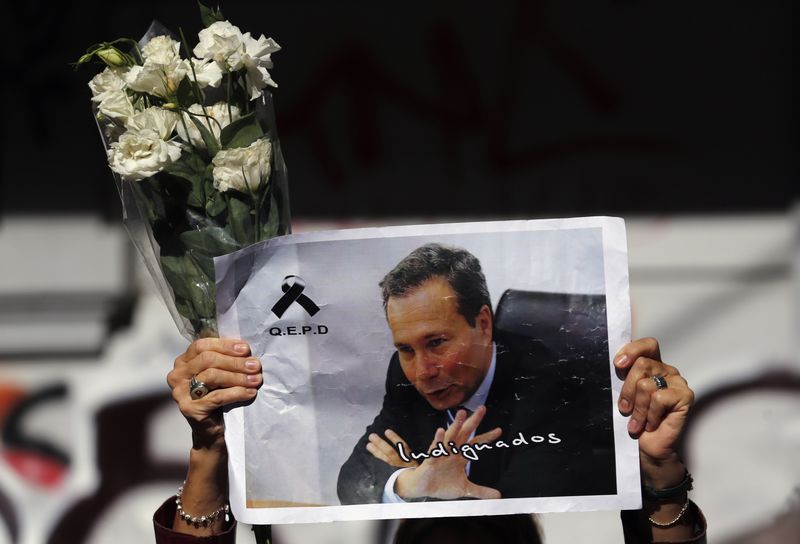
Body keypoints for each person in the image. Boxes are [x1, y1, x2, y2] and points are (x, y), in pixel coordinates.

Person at [338, 244, 616, 504]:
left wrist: (425, 498)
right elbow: (354, 478)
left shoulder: (550, 382)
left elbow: (526, 509)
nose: (422, 372)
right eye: (405, 348)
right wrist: (408, 483)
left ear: (483, 325)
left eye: (436, 343)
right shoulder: (403, 370)